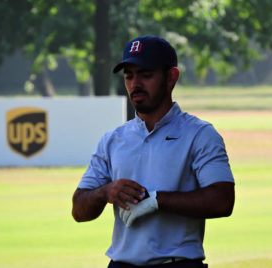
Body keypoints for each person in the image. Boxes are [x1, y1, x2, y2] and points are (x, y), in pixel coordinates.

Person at [72, 35, 235, 268]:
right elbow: (79, 210)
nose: (135, 84)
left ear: (171, 78)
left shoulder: (200, 134)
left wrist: (157, 200)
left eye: (146, 75)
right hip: (120, 264)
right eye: (129, 76)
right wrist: (105, 192)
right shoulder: (112, 139)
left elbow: (222, 201)